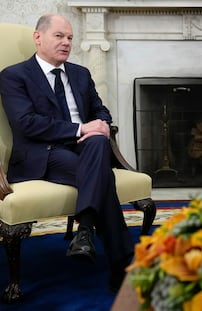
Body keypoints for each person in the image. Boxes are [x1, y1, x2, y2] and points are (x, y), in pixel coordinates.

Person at [0, 13, 134, 292]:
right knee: (104, 179)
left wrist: (102, 125)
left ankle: (84, 230)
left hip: (86, 148)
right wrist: (81, 128)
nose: (66, 43)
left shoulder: (80, 73)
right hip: (42, 153)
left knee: (97, 143)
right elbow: (26, 124)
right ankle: (124, 269)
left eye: (70, 37)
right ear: (38, 38)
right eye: (59, 36)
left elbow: (100, 111)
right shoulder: (14, 76)